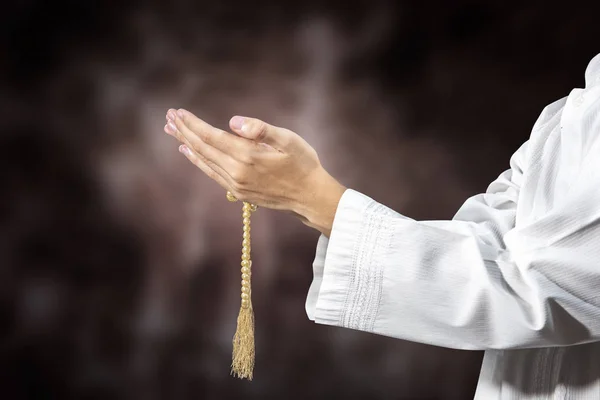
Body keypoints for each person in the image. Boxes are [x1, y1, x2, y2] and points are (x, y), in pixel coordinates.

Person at [163, 52, 600, 399]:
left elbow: (548, 291)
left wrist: (315, 197)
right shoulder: (572, 112)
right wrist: (300, 196)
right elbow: (487, 247)